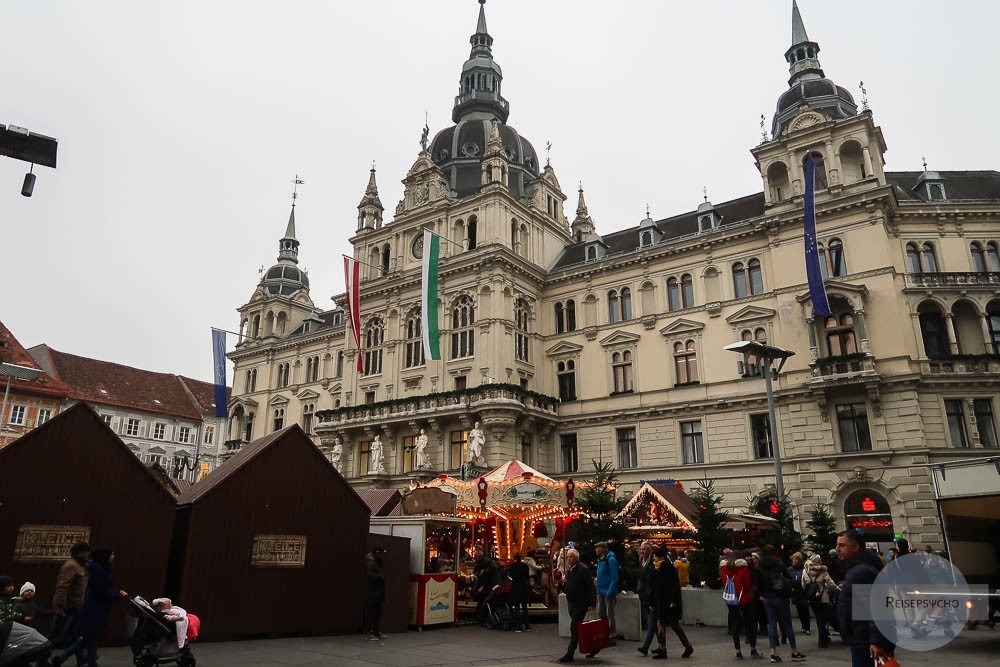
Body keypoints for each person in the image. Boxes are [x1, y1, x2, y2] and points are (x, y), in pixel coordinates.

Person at [55, 548, 128, 667]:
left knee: (88, 639)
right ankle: (89, 663)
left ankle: (61, 658)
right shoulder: (99, 571)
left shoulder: (99, 569)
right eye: (111, 554)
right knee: (91, 639)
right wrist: (118, 596)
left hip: (94, 607)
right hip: (95, 609)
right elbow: (103, 590)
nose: (113, 556)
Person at [836, 530, 893, 667]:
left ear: (855, 547)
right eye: (837, 545)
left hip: (865, 640)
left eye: (842, 545)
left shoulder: (861, 572)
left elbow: (875, 608)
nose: (837, 549)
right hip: (862, 637)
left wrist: (876, 641)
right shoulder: (858, 569)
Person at [759, 545, 805, 663]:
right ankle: (794, 651)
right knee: (787, 624)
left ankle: (773, 653)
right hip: (780, 597)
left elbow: (758, 582)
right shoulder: (778, 564)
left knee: (772, 625)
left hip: (767, 598)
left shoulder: (761, 566)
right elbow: (789, 577)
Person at [50, 541, 90, 660]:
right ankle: (41, 659)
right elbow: (62, 587)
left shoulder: (80, 566)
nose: (88, 555)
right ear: (79, 553)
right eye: (86, 552)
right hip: (67, 607)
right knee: (54, 635)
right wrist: (60, 606)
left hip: (76, 606)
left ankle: (82, 656)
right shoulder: (71, 566)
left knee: (76, 633)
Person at [652, 546, 693, 659]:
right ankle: (662, 648)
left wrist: (674, 601)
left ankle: (687, 645)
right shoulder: (657, 567)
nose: (653, 558)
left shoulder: (668, 568)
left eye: (655, 556)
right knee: (661, 624)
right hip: (661, 600)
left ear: (660, 557)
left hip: (668, 602)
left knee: (674, 625)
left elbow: (674, 585)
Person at [721, 553, 762, 659]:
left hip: (731, 600)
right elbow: (747, 585)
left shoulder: (724, 570)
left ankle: (738, 651)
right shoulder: (743, 569)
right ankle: (753, 649)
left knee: (735, 624)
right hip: (743, 599)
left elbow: (724, 582)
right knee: (750, 623)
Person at [559, 547, 596, 663]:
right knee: (578, 628)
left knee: (574, 628)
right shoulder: (571, 569)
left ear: (575, 558)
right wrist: (564, 583)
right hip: (572, 602)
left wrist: (591, 603)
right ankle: (593, 647)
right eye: (568, 557)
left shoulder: (583, 569)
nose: (568, 559)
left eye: (570, 557)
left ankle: (570, 654)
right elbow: (569, 583)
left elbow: (591, 586)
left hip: (580, 603)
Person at [800, 554, 840, 648]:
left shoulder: (806, 571)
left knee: (819, 618)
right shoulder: (823, 571)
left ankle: (824, 638)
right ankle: (822, 641)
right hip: (823, 599)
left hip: (812, 599)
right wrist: (839, 590)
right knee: (822, 619)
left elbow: (803, 585)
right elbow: (831, 584)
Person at [636, 542, 659, 657]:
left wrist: (652, 600)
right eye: (641, 549)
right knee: (654, 625)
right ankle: (661, 646)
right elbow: (641, 578)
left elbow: (653, 583)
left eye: (644, 549)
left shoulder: (653, 563)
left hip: (651, 598)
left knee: (651, 623)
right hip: (643, 596)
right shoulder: (641, 561)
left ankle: (645, 647)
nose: (642, 551)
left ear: (650, 550)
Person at [594, 542, 619, 644]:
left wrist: (610, 591)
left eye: (597, 548)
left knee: (610, 614)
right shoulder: (600, 560)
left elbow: (614, 578)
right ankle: (604, 634)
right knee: (601, 613)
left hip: (608, 592)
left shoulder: (611, 560)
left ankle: (612, 636)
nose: (595, 550)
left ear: (603, 549)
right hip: (600, 591)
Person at [472, 545, 500, 624]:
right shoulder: (483, 562)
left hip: (488, 584)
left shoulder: (487, 561)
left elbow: (493, 568)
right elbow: (476, 571)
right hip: (486, 584)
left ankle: (481, 617)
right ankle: (481, 617)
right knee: (482, 599)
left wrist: (483, 572)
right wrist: (476, 574)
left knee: (482, 599)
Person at [365, 547, 387, 641]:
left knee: (378, 613)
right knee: (372, 613)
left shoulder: (376, 564)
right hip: (373, 593)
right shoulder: (372, 563)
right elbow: (369, 576)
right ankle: (370, 633)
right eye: (382, 554)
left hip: (377, 593)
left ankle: (376, 632)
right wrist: (380, 577)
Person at [787, 552, 811, 636]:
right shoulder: (790, 569)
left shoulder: (804, 569)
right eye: (793, 559)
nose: (794, 560)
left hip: (803, 592)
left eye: (797, 559)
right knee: (799, 610)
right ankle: (803, 626)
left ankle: (807, 627)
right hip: (795, 592)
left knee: (805, 610)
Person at [508, 553, 531, 632]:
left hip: (516, 587)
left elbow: (510, 575)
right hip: (523, 587)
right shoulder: (525, 566)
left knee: (517, 607)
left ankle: (519, 626)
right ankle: (527, 625)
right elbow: (527, 576)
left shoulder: (512, 566)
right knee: (525, 607)